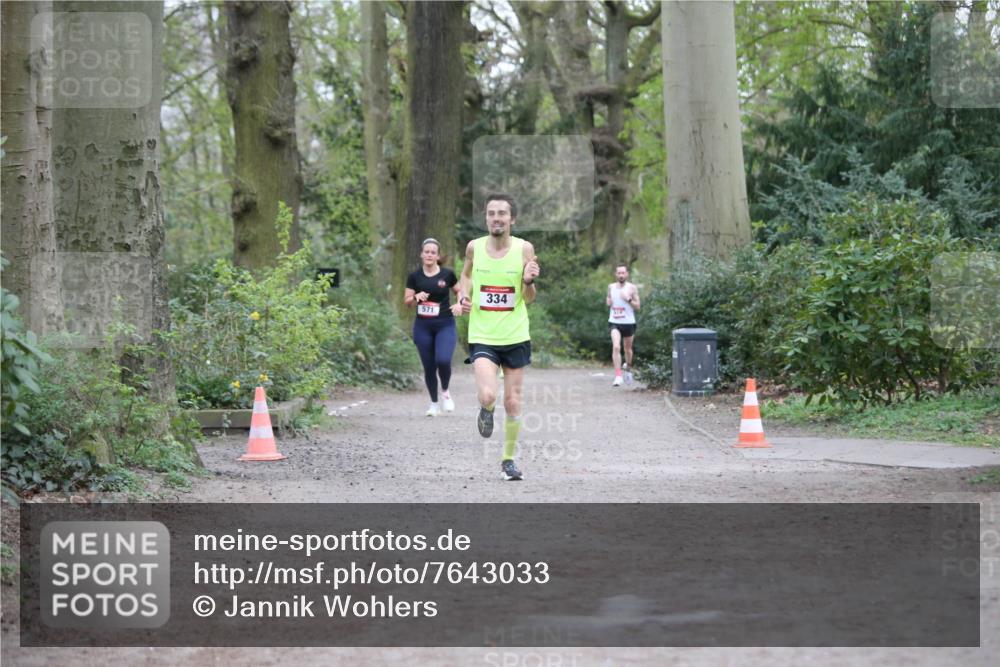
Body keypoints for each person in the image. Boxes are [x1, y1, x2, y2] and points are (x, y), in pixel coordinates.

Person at [458, 193, 539, 481]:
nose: (496, 218)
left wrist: (528, 281)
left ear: (512, 219)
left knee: (513, 402)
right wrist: (463, 296)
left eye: (502, 213)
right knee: (488, 394)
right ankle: (486, 408)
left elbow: (529, 298)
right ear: (486, 218)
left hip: (515, 334)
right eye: (491, 213)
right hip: (483, 334)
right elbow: (465, 277)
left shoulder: (524, 249)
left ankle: (508, 461)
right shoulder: (474, 247)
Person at [404, 238, 463, 416]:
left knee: (443, 360)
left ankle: (445, 391)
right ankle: (434, 404)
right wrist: (416, 297)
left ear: (438, 256)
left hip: (445, 324)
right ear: (421, 254)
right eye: (426, 252)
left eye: (433, 252)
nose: (429, 255)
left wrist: (459, 303)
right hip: (423, 326)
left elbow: (459, 290)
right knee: (429, 366)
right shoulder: (414, 277)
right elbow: (407, 302)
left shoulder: (447, 274)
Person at [607, 263, 640, 387]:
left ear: (627, 274)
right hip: (614, 322)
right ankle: (618, 376)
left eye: (623, 273)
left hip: (628, 322)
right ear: (616, 274)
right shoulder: (611, 287)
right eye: (619, 273)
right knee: (616, 347)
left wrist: (628, 299)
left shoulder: (632, 288)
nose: (621, 275)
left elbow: (638, 306)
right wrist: (608, 301)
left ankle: (628, 369)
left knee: (628, 350)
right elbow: (608, 299)